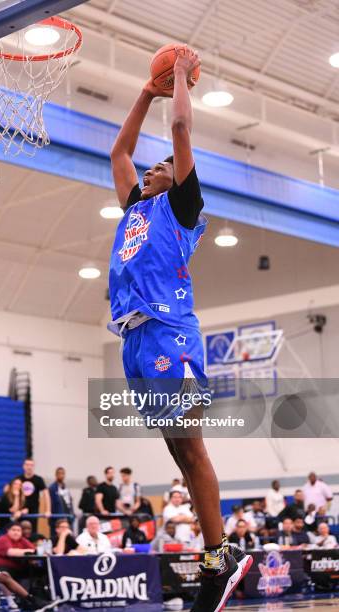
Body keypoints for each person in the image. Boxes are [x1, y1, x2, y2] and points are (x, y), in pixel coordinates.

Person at [109, 45, 249, 610]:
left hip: (169, 333)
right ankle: (221, 554)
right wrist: (145, 92)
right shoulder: (133, 212)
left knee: (193, 452)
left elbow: (182, 125)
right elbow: (120, 151)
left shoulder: (181, 209)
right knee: (177, 453)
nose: (150, 168)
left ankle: (220, 560)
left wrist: (182, 79)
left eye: (160, 166)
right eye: (150, 168)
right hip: (136, 340)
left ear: (178, 180)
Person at [16, 459, 51, 530]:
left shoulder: (38, 479)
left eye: (31, 465)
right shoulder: (18, 479)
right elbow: (11, 492)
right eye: (27, 465)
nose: (29, 467)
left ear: (34, 467)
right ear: (23, 466)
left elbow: (46, 495)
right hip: (20, 510)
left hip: (33, 512)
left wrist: (48, 510)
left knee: (32, 532)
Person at [49, 467, 74, 532]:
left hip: (67, 517)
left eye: (63, 473)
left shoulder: (66, 488)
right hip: (57, 518)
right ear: (56, 475)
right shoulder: (52, 488)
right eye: (59, 473)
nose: (61, 475)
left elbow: (69, 503)